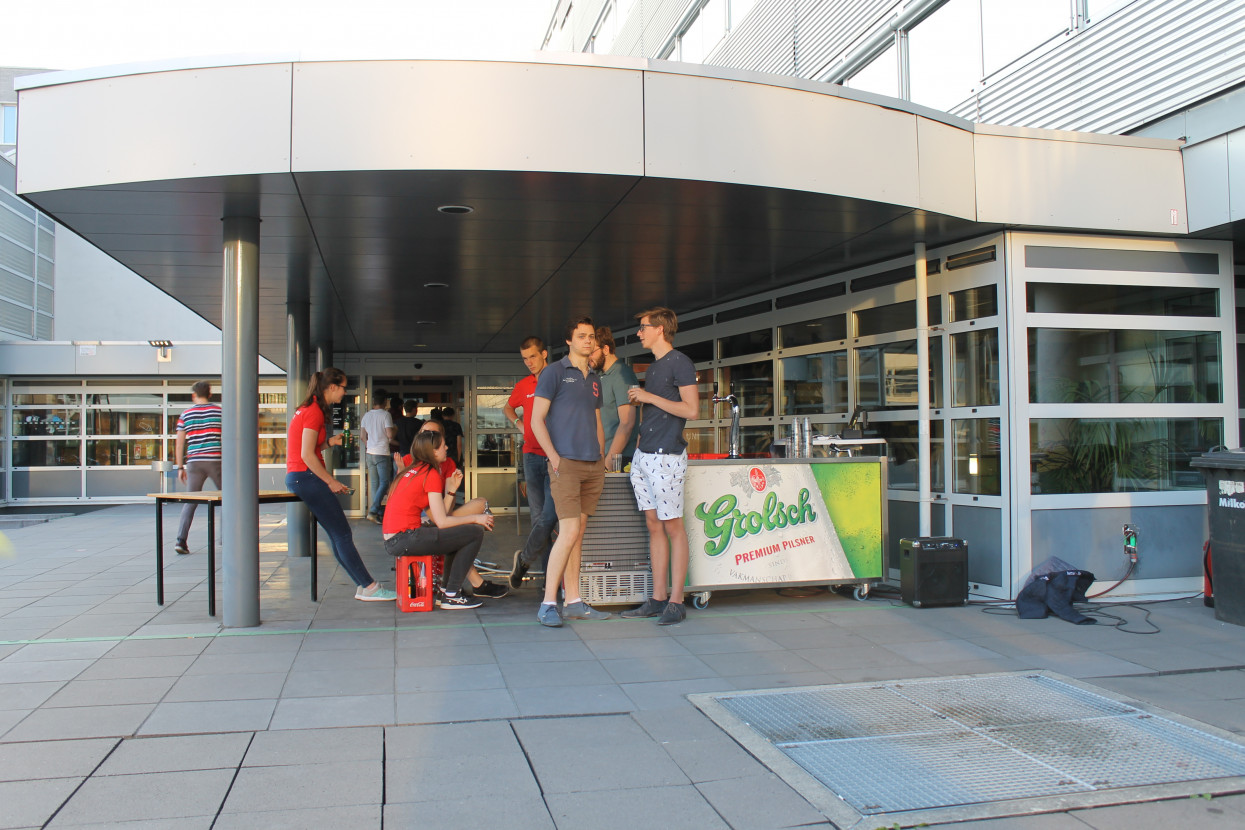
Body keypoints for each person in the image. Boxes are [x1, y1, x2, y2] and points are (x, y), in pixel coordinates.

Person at [286, 368, 395, 602]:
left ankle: (364, 585)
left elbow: (310, 448)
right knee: (342, 534)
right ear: (332, 387)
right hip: (306, 476)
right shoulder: (314, 411)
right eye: (344, 387)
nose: (345, 393)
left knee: (338, 534)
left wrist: (329, 442)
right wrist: (331, 480)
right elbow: (306, 455)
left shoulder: (309, 408)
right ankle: (369, 587)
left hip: (300, 476)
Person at [529, 317, 611, 627]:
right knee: (568, 533)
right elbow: (537, 420)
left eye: (591, 336)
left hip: (593, 465)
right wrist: (554, 458)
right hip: (566, 465)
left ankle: (574, 601)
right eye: (581, 336)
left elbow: (597, 420)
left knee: (577, 535)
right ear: (569, 341)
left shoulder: (594, 378)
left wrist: (602, 456)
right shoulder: (553, 373)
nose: (587, 340)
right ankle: (548, 603)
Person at [622, 307, 700, 626]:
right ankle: (658, 598)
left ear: (660, 329)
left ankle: (676, 601)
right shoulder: (655, 367)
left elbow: (692, 410)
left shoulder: (679, 362)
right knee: (654, 524)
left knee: (672, 527)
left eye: (643, 327)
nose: (639, 333)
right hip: (646, 454)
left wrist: (648, 398)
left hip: (667, 455)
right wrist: (645, 401)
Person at [382, 430, 495, 609]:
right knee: (474, 533)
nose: (447, 448)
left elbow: (437, 517)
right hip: (405, 538)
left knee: (454, 537)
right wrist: (476, 518)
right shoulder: (430, 474)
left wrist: (451, 490)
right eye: (443, 446)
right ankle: (452, 595)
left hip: (395, 539)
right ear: (434, 452)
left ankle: (445, 591)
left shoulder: (412, 471)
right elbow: (442, 522)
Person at [505, 337, 558, 589]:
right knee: (539, 519)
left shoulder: (557, 377)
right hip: (531, 456)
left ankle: (525, 561)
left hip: (555, 456)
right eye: (525, 358)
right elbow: (508, 408)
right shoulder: (524, 384)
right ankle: (549, 579)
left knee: (549, 518)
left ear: (544, 354)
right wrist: (518, 424)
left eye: (533, 357)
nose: (529, 363)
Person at [173, 380, 221, 555]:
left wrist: (180, 467)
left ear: (194, 395)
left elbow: (179, 444)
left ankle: (181, 540)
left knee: (190, 501)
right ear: (210, 394)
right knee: (229, 498)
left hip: (194, 462)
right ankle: (231, 536)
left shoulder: (186, 414)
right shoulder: (219, 412)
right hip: (216, 460)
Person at [590, 326, 638, 472]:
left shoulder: (623, 374)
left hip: (619, 461)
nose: (588, 357)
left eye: (592, 352)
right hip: (599, 458)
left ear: (605, 349)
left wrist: (608, 464)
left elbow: (627, 423)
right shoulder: (599, 376)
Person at [360, 391, 396, 523]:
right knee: (385, 482)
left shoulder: (366, 415)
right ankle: (373, 510)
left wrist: (369, 445)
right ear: (385, 402)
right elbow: (390, 435)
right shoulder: (386, 415)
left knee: (375, 483)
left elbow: (363, 436)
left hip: (370, 453)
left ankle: (378, 512)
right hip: (382, 452)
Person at [393, 399, 422, 465]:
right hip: (415, 454)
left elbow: (391, 439)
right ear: (414, 409)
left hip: (401, 454)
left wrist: (401, 444)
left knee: (400, 474)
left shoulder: (398, 422)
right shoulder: (419, 423)